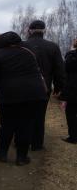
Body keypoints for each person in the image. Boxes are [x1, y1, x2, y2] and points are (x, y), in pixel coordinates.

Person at [0, 31, 48, 165]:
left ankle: (2, 154)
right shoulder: (28, 53)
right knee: (25, 125)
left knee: (7, 124)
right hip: (33, 95)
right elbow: (37, 72)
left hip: (8, 96)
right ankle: (22, 158)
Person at [22, 20, 65, 151]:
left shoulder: (22, 45)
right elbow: (59, 69)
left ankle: (23, 142)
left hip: (24, 87)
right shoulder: (53, 46)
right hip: (44, 87)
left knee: (24, 115)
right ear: (44, 30)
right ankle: (37, 144)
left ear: (29, 30)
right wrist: (58, 87)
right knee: (40, 116)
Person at [59, 38, 77, 144]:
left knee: (71, 113)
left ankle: (73, 137)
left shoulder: (71, 55)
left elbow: (64, 70)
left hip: (73, 88)